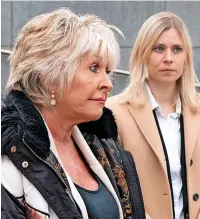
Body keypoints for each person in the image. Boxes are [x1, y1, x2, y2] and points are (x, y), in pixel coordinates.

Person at [1, 8, 146, 219]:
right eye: (94, 67)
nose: (107, 84)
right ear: (49, 76)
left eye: (108, 71)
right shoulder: (9, 158)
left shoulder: (103, 147)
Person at [106, 11, 200, 219]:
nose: (168, 58)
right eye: (159, 48)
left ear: (186, 57)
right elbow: (112, 190)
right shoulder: (114, 112)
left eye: (177, 49)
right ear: (143, 53)